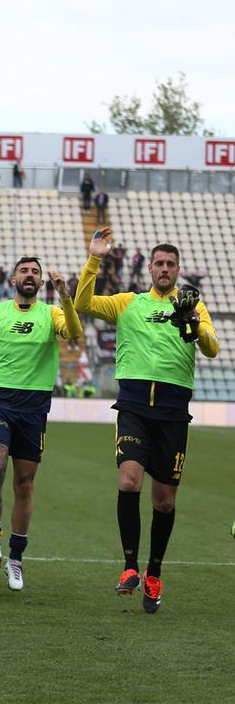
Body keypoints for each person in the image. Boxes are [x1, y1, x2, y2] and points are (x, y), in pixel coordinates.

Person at [75, 229, 219, 613]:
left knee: (165, 501)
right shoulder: (129, 302)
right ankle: (129, 567)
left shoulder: (192, 305)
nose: (165, 269)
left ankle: (154, 572)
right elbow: (83, 301)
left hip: (173, 412)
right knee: (128, 479)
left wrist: (191, 318)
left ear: (177, 270)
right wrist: (95, 259)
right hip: (135, 406)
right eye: (159, 263)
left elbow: (212, 348)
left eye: (171, 264)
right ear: (150, 269)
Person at [0, 257, 82, 591]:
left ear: (41, 283)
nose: (30, 275)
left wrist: (65, 294)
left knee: (25, 483)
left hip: (35, 405)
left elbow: (74, 333)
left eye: (35, 273)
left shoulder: (51, 313)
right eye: (24, 271)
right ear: (12, 280)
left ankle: (16, 559)